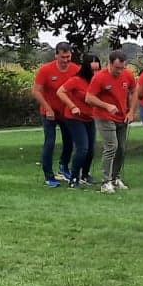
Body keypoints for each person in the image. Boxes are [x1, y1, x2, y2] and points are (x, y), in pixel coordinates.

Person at [85, 49, 137, 192]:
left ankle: (116, 178)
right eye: (116, 68)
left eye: (122, 68)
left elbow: (134, 91)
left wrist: (131, 111)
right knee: (111, 146)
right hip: (104, 116)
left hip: (122, 116)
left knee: (121, 148)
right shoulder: (100, 77)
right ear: (109, 64)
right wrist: (106, 105)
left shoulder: (128, 75)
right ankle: (105, 182)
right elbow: (89, 98)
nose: (120, 71)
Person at [33, 43, 76, 186]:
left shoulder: (76, 69)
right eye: (63, 57)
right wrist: (48, 108)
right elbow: (36, 91)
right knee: (50, 143)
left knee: (69, 141)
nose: (65, 60)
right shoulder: (46, 70)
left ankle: (64, 167)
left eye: (68, 56)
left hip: (66, 112)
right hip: (49, 112)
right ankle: (49, 176)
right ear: (56, 55)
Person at [57, 53, 98, 187]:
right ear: (86, 68)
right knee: (83, 148)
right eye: (92, 69)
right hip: (74, 117)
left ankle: (85, 174)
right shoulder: (76, 80)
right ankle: (74, 178)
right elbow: (60, 92)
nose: (95, 72)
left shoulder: (97, 81)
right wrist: (72, 106)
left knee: (91, 149)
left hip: (89, 117)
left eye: (97, 69)